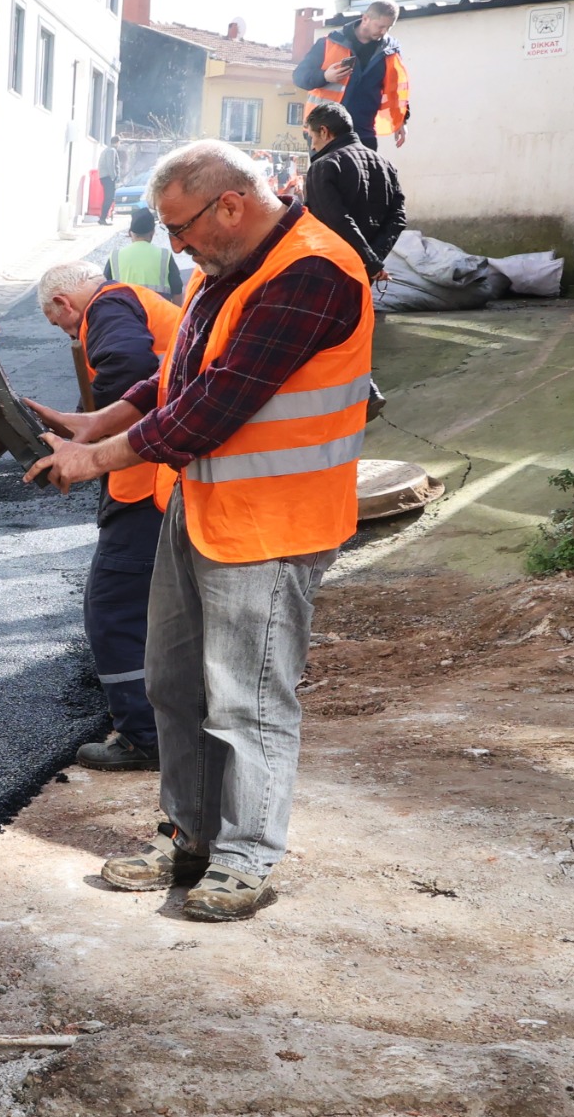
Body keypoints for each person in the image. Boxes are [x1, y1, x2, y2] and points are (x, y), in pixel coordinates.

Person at [23, 140, 374, 923]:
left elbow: (216, 404)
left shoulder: (313, 271)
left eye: (181, 228)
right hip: (204, 507)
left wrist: (94, 460)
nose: (176, 246)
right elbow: (183, 370)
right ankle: (189, 837)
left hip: (274, 523)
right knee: (175, 685)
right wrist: (98, 421)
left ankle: (245, 859)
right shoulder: (225, 266)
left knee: (248, 701)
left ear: (231, 205)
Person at [36, 262, 183, 772]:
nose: (67, 333)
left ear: (63, 303)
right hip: (164, 475)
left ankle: (144, 736)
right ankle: (173, 721)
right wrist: (91, 426)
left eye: (59, 324)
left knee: (114, 605)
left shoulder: (108, 306)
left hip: (149, 481)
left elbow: (129, 366)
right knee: (154, 606)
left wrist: (100, 447)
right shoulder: (136, 302)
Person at [300, 102, 407, 282]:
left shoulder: (323, 166)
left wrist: (369, 261)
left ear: (324, 132)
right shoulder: (386, 165)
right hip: (366, 273)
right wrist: (374, 259)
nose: (312, 146)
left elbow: (335, 221)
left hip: (332, 269)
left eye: (311, 137)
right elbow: (398, 218)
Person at [294, 0, 409, 151]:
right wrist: (325, 76)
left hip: (363, 132)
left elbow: (396, 89)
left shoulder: (390, 51)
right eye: (380, 26)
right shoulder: (329, 42)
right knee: (327, 168)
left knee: (366, 168)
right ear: (365, 18)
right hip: (325, 131)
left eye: (389, 27)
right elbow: (299, 77)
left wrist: (401, 120)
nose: (383, 32)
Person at [104, 206, 186, 301]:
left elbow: (103, 289)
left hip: (125, 309)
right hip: (158, 310)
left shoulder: (115, 256)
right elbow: (177, 289)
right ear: (152, 233)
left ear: (130, 233)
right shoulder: (164, 255)